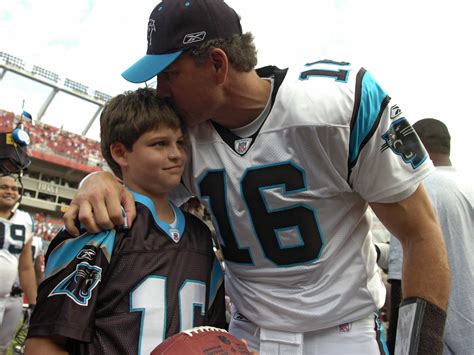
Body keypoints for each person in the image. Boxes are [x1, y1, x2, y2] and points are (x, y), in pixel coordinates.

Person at [64, 1, 450, 353]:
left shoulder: (337, 103)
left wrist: (421, 348)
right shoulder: (186, 137)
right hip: (244, 337)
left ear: (217, 64)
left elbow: (420, 234)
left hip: (342, 333)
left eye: (170, 74)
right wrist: (97, 180)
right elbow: (141, 189)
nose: (160, 91)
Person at [24, 88, 227, 355]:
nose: (176, 154)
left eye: (180, 142)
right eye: (160, 144)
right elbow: (42, 346)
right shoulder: (99, 225)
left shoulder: (200, 235)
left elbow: (215, 339)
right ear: (120, 153)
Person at [388, 118, 474, 355]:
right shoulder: (468, 186)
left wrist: (399, 347)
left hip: (439, 341)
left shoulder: (416, 190)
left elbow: (400, 284)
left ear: (418, 146)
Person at [0, 174, 37, 355]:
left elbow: (26, 266)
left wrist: (33, 303)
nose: (10, 191)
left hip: (9, 297)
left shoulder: (25, 220)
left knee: (3, 347)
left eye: (14, 188)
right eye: (4, 187)